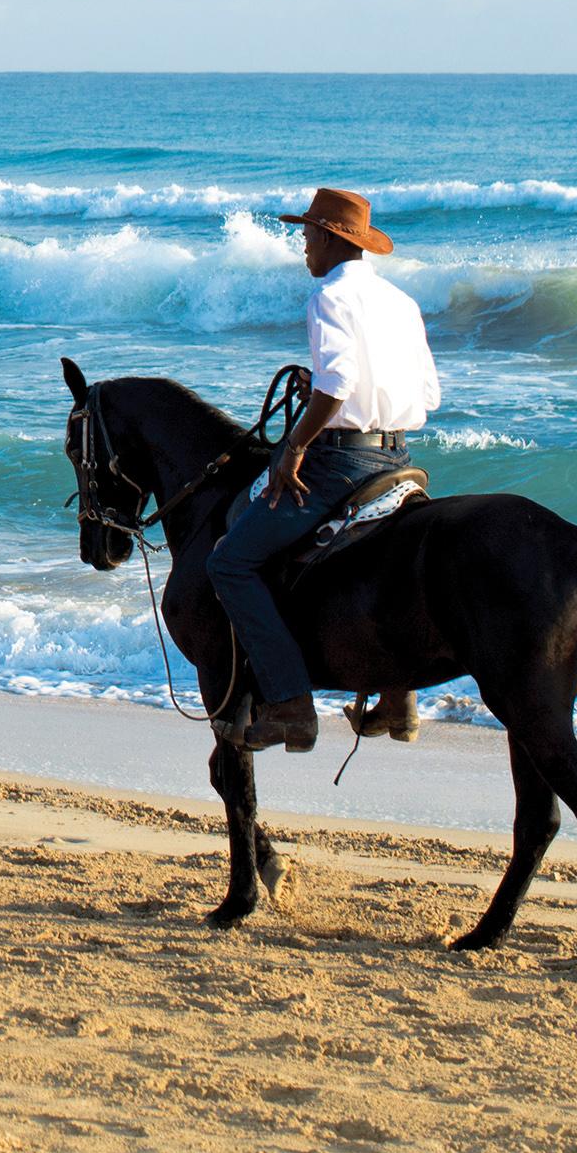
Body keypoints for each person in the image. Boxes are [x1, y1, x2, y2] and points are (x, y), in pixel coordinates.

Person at [207, 186, 439, 753]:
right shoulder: (402, 303)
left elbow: (338, 385)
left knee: (231, 562)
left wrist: (294, 447)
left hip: (341, 461)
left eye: (308, 235)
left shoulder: (329, 298)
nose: (303, 247)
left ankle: (290, 705)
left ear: (333, 240)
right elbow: (427, 394)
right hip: (398, 457)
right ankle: (396, 694)